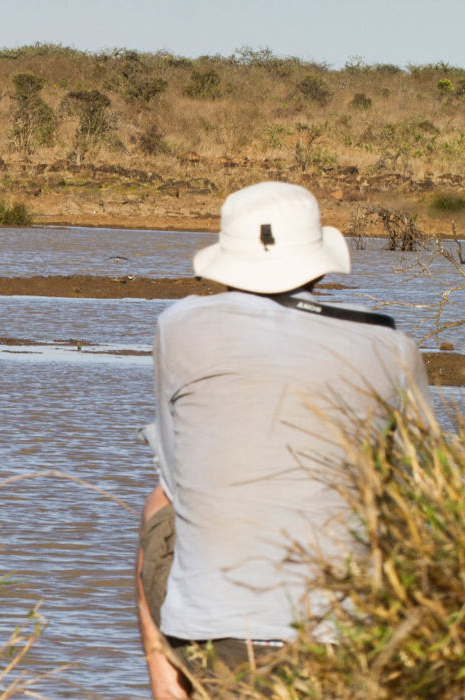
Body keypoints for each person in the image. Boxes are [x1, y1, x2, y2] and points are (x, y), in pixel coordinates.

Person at [136, 181, 430, 698]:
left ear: (227, 263)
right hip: (347, 639)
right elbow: (415, 495)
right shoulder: (393, 347)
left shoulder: (178, 325)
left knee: (159, 502)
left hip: (213, 640)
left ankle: (169, 687)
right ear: (318, 265)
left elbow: (176, 479)